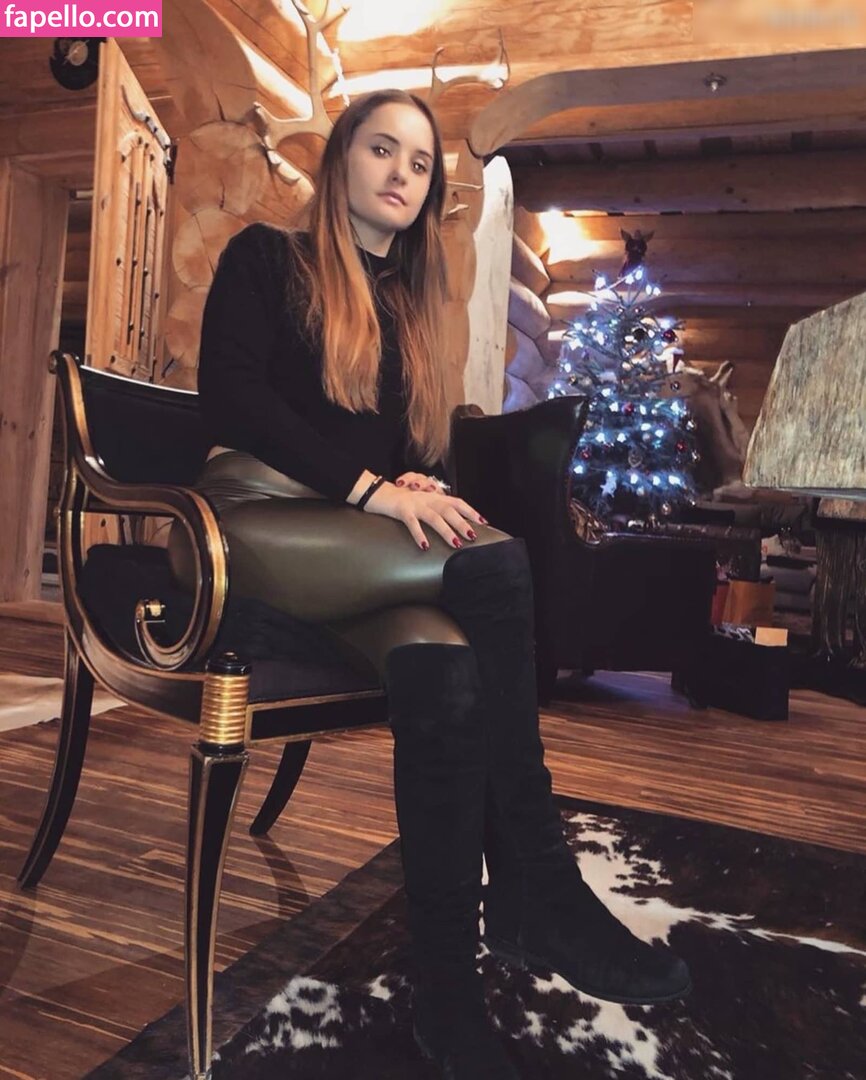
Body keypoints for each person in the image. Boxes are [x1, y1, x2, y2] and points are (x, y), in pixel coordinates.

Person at [178, 89, 690, 1079]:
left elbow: (380, 448)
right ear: (340, 159)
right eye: (383, 149)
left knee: (446, 676)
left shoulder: (401, 305)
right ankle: (539, 885)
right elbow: (232, 397)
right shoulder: (264, 259)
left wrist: (405, 480)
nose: (402, 174)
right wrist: (371, 489)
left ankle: (447, 999)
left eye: (419, 163)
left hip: (343, 543)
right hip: (248, 526)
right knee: (494, 563)